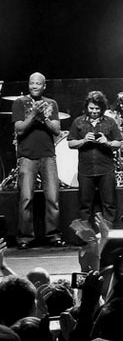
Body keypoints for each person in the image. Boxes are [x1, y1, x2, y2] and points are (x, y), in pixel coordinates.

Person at [12, 72, 63, 249]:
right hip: (27, 157)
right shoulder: (20, 102)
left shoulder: (52, 103)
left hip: (48, 156)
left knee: (52, 198)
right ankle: (25, 238)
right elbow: (19, 129)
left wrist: (44, 117)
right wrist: (33, 114)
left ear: (44, 86)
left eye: (38, 83)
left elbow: (57, 130)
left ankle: (54, 236)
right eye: (31, 83)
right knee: (26, 198)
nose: (34, 86)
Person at [68, 91, 123, 227]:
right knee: (85, 205)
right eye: (91, 108)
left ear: (102, 108)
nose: (94, 111)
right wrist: (84, 140)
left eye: (97, 109)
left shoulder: (110, 122)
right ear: (87, 107)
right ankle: (86, 236)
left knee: (109, 203)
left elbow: (119, 143)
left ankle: (109, 235)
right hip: (86, 170)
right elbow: (70, 143)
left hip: (106, 169)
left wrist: (107, 142)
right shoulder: (78, 122)